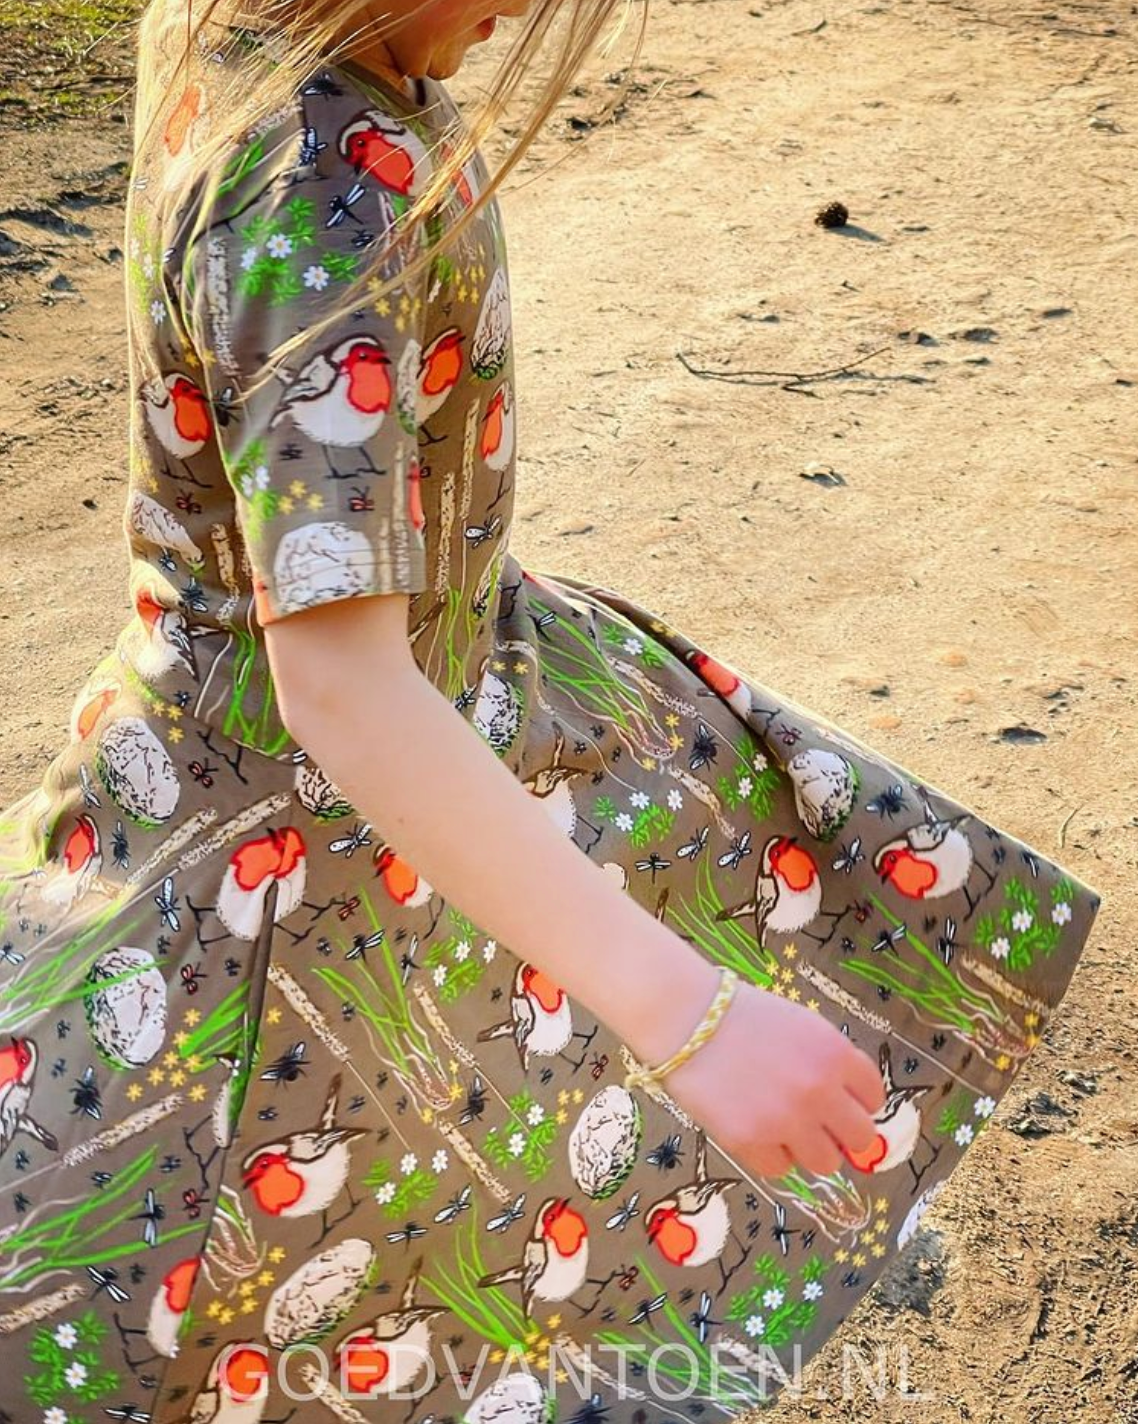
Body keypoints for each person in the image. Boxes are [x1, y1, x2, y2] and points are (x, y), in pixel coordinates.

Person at [0, 0, 1103, 1417]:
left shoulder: (254, 45)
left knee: (399, 1248)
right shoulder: (314, 179)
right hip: (274, 883)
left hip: (363, 824)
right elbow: (339, 681)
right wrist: (691, 1015)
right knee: (178, 1309)